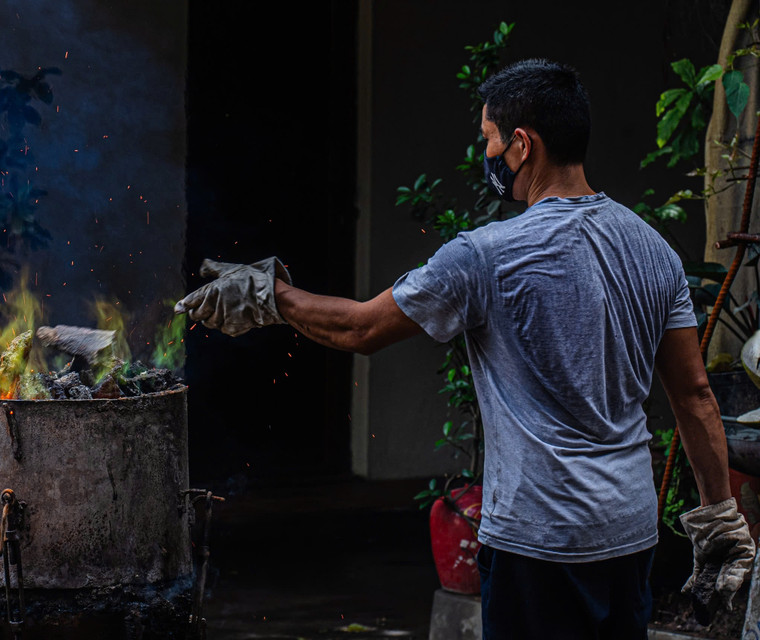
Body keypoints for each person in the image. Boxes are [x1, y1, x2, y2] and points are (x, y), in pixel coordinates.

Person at [175, 59, 755, 639]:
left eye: (489, 140)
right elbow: (695, 392)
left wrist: (268, 295)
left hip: (537, 545)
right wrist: (720, 524)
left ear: (522, 145)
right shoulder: (653, 248)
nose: (487, 154)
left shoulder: (487, 254)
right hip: (627, 537)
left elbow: (360, 328)